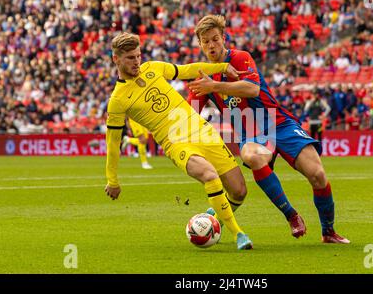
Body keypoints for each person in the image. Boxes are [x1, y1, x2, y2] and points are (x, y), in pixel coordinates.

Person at [187, 15, 349, 244]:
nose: (211, 45)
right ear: (200, 44)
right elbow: (189, 112)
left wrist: (213, 86)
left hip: (278, 123)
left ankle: (329, 232)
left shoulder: (240, 58)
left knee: (318, 175)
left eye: (215, 39)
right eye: (206, 41)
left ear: (224, 38)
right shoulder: (201, 75)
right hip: (251, 134)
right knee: (252, 156)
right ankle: (291, 215)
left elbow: (252, 89)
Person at [105, 32, 253, 250]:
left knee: (239, 191)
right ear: (116, 59)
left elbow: (187, 71)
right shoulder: (117, 101)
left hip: (201, 130)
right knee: (209, 175)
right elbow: (113, 142)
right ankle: (238, 234)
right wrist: (112, 180)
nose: (136, 61)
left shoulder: (153, 67)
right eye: (130, 58)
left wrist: (221, 67)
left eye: (138, 56)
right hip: (176, 143)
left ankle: (214, 216)